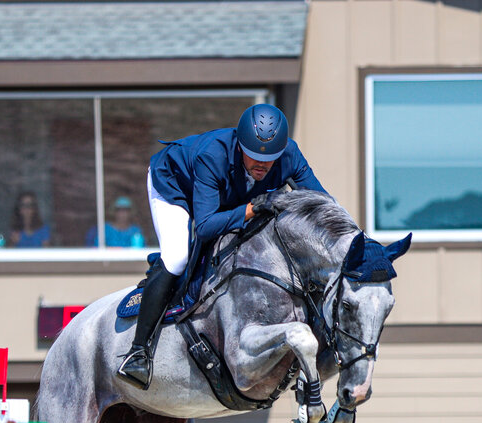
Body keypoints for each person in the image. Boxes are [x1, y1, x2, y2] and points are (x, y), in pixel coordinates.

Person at [117, 103, 326, 389]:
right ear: (240, 146)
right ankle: (138, 352)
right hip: (174, 184)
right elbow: (204, 227)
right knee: (178, 257)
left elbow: (323, 204)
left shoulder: (290, 154)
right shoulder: (211, 155)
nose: (262, 166)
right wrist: (251, 209)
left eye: (270, 159)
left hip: (225, 195)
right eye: (253, 157)